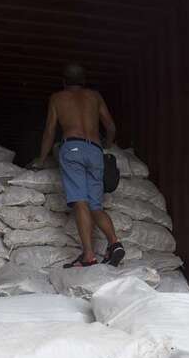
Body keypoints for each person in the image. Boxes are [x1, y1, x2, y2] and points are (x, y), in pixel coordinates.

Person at [33, 63, 125, 268]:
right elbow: (110, 127)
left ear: (63, 82)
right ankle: (115, 243)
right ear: (84, 81)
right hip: (95, 150)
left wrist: (41, 159)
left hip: (72, 148)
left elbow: (49, 130)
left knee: (80, 201)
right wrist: (107, 146)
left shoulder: (57, 98)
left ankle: (88, 255)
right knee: (96, 205)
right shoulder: (95, 96)